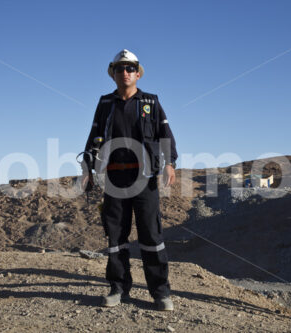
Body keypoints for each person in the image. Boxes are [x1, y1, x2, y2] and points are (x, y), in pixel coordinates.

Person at [81, 49, 178, 311]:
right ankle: (118, 288)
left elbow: (164, 134)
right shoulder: (104, 104)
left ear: (137, 73)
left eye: (130, 68)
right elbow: (93, 137)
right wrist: (87, 170)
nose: (125, 73)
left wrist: (170, 163)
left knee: (151, 235)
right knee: (116, 236)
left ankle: (160, 293)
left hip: (144, 178)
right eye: (120, 68)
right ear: (113, 73)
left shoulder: (151, 102)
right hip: (114, 178)